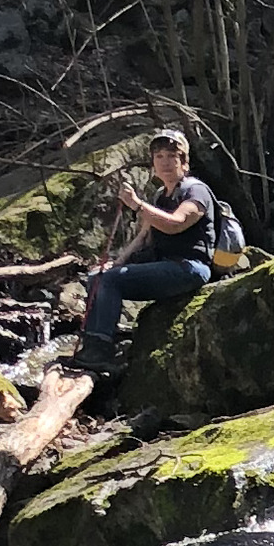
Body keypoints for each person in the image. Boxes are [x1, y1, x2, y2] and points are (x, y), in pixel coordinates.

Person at [79, 130, 217, 375]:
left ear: (183, 161)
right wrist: (116, 263)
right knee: (98, 278)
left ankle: (100, 351)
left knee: (110, 281)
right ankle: (95, 344)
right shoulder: (160, 195)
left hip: (190, 268)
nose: (165, 162)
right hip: (166, 266)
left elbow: (175, 224)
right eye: (159, 156)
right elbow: (145, 236)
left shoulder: (196, 192)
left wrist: (137, 205)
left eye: (172, 156)